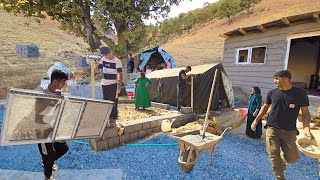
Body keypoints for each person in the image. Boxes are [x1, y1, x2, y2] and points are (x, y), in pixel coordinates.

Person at [251, 70, 314, 180]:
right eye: (274, 79)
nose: (275, 81)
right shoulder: (272, 93)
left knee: (292, 157)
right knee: (273, 156)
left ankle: (283, 161)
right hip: (272, 128)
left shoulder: (300, 93)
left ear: (286, 79)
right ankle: (280, 176)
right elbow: (265, 108)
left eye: (277, 79)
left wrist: (307, 129)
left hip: (289, 130)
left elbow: (305, 114)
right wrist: (256, 120)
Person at [37, 69, 69, 180]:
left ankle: (46, 162)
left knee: (63, 148)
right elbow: (38, 109)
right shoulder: (42, 89)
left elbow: (58, 113)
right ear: (55, 81)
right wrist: (53, 98)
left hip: (52, 126)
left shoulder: (59, 94)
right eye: (63, 82)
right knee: (49, 153)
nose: (64, 84)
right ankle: (47, 176)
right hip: (41, 127)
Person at [98, 46, 123, 126]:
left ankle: (113, 118)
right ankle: (108, 118)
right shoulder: (103, 59)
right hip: (104, 83)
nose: (105, 57)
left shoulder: (117, 61)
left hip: (113, 84)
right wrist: (95, 66)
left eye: (106, 55)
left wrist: (119, 86)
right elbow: (98, 69)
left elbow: (120, 74)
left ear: (109, 52)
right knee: (106, 101)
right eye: (104, 55)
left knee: (114, 102)